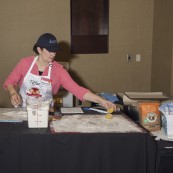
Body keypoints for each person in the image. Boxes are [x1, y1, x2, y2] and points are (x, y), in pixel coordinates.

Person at [4, 33, 116, 111]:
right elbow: (10, 81)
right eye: (49, 50)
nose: (53, 54)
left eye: (55, 51)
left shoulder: (58, 70)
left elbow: (78, 90)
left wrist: (101, 101)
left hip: (46, 112)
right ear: (39, 49)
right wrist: (13, 93)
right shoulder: (25, 63)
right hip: (23, 109)